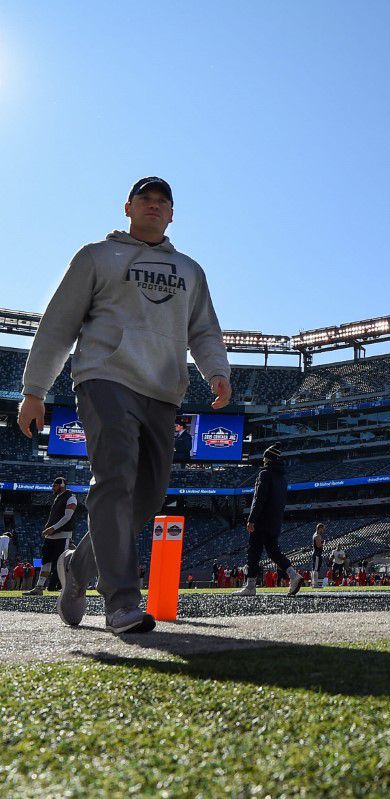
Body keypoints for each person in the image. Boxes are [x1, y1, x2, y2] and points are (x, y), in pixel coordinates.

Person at [17, 177, 231, 635]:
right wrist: (34, 389)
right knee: (113, 480)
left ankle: (77, 568)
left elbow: (204, 330)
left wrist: (217, 371)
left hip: (163, 390)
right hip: (104, 377)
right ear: (127, 207)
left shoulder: (190, 270)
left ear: (172, 214)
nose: (154, 207)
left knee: (147, 498)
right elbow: (59, 322)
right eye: (145, 200)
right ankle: (121, 603)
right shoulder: (95, 256)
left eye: (162, 202)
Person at [234, 445, 303, 597]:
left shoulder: (264, 474)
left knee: (254, 552)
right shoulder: (282, 478)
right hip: (275, 521)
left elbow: (258, 499)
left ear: (268, 459)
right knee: (273, 551)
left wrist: (252, 519)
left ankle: (250, 586)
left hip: (262, 519)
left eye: (265, 458)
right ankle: (293, 575)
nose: (263, 460)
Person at [24, 477, 78, 595]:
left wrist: (53, 528)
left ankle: (65, 588)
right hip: (51, 536)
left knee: (61, 562)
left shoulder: (71, 498)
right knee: (46, 562)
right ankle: (39, 587)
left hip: (62, 536)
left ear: (62, 485)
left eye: (55, 485)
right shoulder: (58, 498)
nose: (53, 488)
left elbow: (67, 517)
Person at [312, 523, 326, 589]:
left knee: (315, 569)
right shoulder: (317, 535)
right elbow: (318, 545)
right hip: (317, 554)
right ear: (320, 528)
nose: (323, 530)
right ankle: (315, 584)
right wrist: (323, 544)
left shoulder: (316, 535)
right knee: (316, 569)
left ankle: (314, 583)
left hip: (316, 553)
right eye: (322, 529)